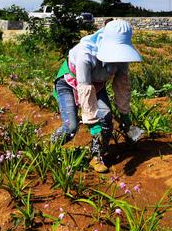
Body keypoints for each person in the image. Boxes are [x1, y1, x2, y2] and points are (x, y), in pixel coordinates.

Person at [51, 19, 142, 173]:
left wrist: (125, 115)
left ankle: (97, 156)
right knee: (71, 127)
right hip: (69, 83)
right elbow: (85, 90)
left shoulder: (122, 59)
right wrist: (93, 125)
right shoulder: (86, 53)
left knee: (106, 120)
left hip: (96, 85)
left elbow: (122, 86)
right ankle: (51, 148)